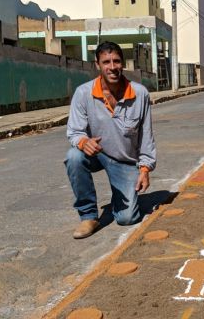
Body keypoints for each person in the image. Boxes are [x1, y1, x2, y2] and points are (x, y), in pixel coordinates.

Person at [65, 41, 156, 239]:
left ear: (123, 64)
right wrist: (83, 142)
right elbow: (74, 132)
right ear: (97, 64)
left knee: (127, 218)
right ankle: (88, 216)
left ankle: (120, 195)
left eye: (116, 61)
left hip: (125, 161)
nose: (112, 67)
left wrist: (145, 169)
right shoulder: (83, 93)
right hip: (97, 155)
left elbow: (146, 137)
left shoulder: (140, 94)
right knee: (73, 157)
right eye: (106, 62)